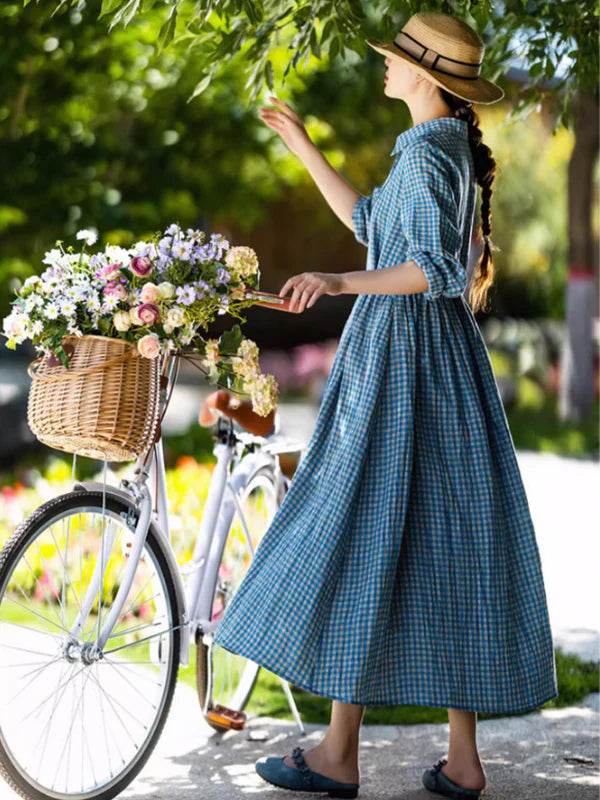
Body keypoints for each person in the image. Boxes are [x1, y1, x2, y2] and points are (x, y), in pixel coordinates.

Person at [212, 11, 558, 799]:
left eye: (397, 61)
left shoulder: (436, 156)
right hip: (422, 366)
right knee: (443, 544)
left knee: (365, 527)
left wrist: (339, 282)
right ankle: (453, 761)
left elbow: (433, 270)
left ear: (429, 77)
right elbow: (372, 226)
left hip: (410, 369)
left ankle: (341, 752)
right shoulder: (428, 153)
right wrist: (302, 146)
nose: (385, 68)